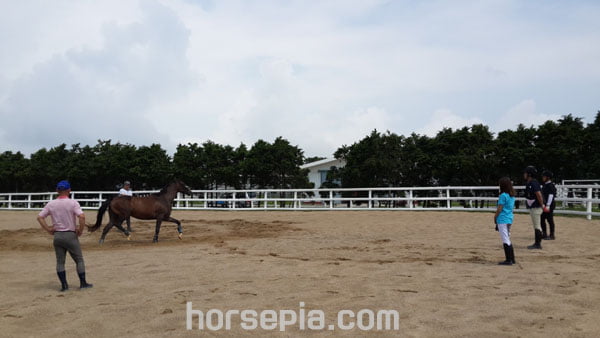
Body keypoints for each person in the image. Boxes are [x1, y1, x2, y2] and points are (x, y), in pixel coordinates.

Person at [37, 180, 93, 291]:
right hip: (70, 234)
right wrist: (80, 230)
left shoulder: (51, 204)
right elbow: (81, 217)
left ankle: (64, 286)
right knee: (79, 260)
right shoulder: (73, 203)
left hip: (58, 235)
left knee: (60, 262)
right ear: (69, 190)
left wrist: (48, 229)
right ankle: (83, 283)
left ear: (57, 190)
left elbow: (40, 217)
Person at [494, 177, 516, 265]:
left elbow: (499, 209)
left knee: (505, 238)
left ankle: (508, 259)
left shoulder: (503, 195)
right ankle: (512, 258)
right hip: (509, 218)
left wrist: (495, 217)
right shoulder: (512, 196)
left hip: (502, 218)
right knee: (507, 237)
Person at [523, 166, 547, 249]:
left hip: (536, 207)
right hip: (533, 207)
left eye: (526, 173)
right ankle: (537, 243)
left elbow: (538, 194)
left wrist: (542, 205)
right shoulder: (530, 183)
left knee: (537, 225)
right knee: (536, 225)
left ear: (529, 174)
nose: (524, 174)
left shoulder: (533, 183)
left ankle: (538, 243)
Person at [541, 170, 557, 240]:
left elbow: (551, 196)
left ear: (548, 177)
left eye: (544, 177)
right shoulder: (545, 185)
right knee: (542, 219)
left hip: (549, 205)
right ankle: (544, 233)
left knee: (550, 220)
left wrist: (548, 205)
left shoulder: (551, 185)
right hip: (544, 205)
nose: (543, 178)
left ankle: (552, 234)